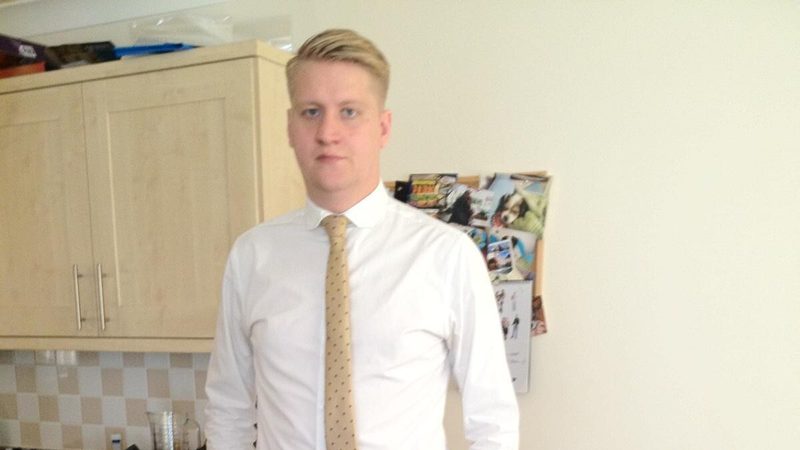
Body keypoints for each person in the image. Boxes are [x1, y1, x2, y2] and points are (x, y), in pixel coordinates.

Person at [204, 28, 518, 449]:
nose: (328, 132)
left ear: (383, 128)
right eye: (311, 111)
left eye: (349, 112)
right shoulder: (252, 256)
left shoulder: (446, 256)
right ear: (290, 127)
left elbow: (492, 418)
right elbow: (228, 408)